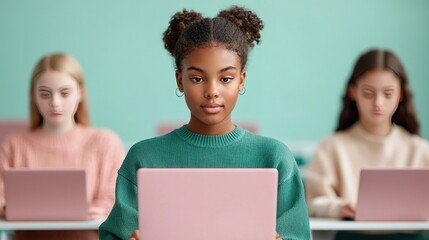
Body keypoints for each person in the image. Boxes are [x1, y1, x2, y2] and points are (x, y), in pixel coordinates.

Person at [99, 5, 311, 240]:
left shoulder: (274, 157)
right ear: (180, 80)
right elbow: (113, 236)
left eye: (226, 79)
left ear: (241, 81)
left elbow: (298, 235)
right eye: (197, 78)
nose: (212, 91)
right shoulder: (144, 157)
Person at [305, 49, 429, 240]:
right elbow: (312, 202)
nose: (378, 103)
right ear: (353, 91)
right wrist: (339, 207)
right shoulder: (331, 147)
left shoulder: (419, 149)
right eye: (369, 93)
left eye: (388, 94)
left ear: (401, 93)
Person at [0, 53, 125, 240]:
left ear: (80, 93)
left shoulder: (105, 143)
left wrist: (104, 209)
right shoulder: (14, 145)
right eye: (44, 94)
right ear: (33, 95)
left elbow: (118, 201)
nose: (55, 103)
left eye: (64, 93)